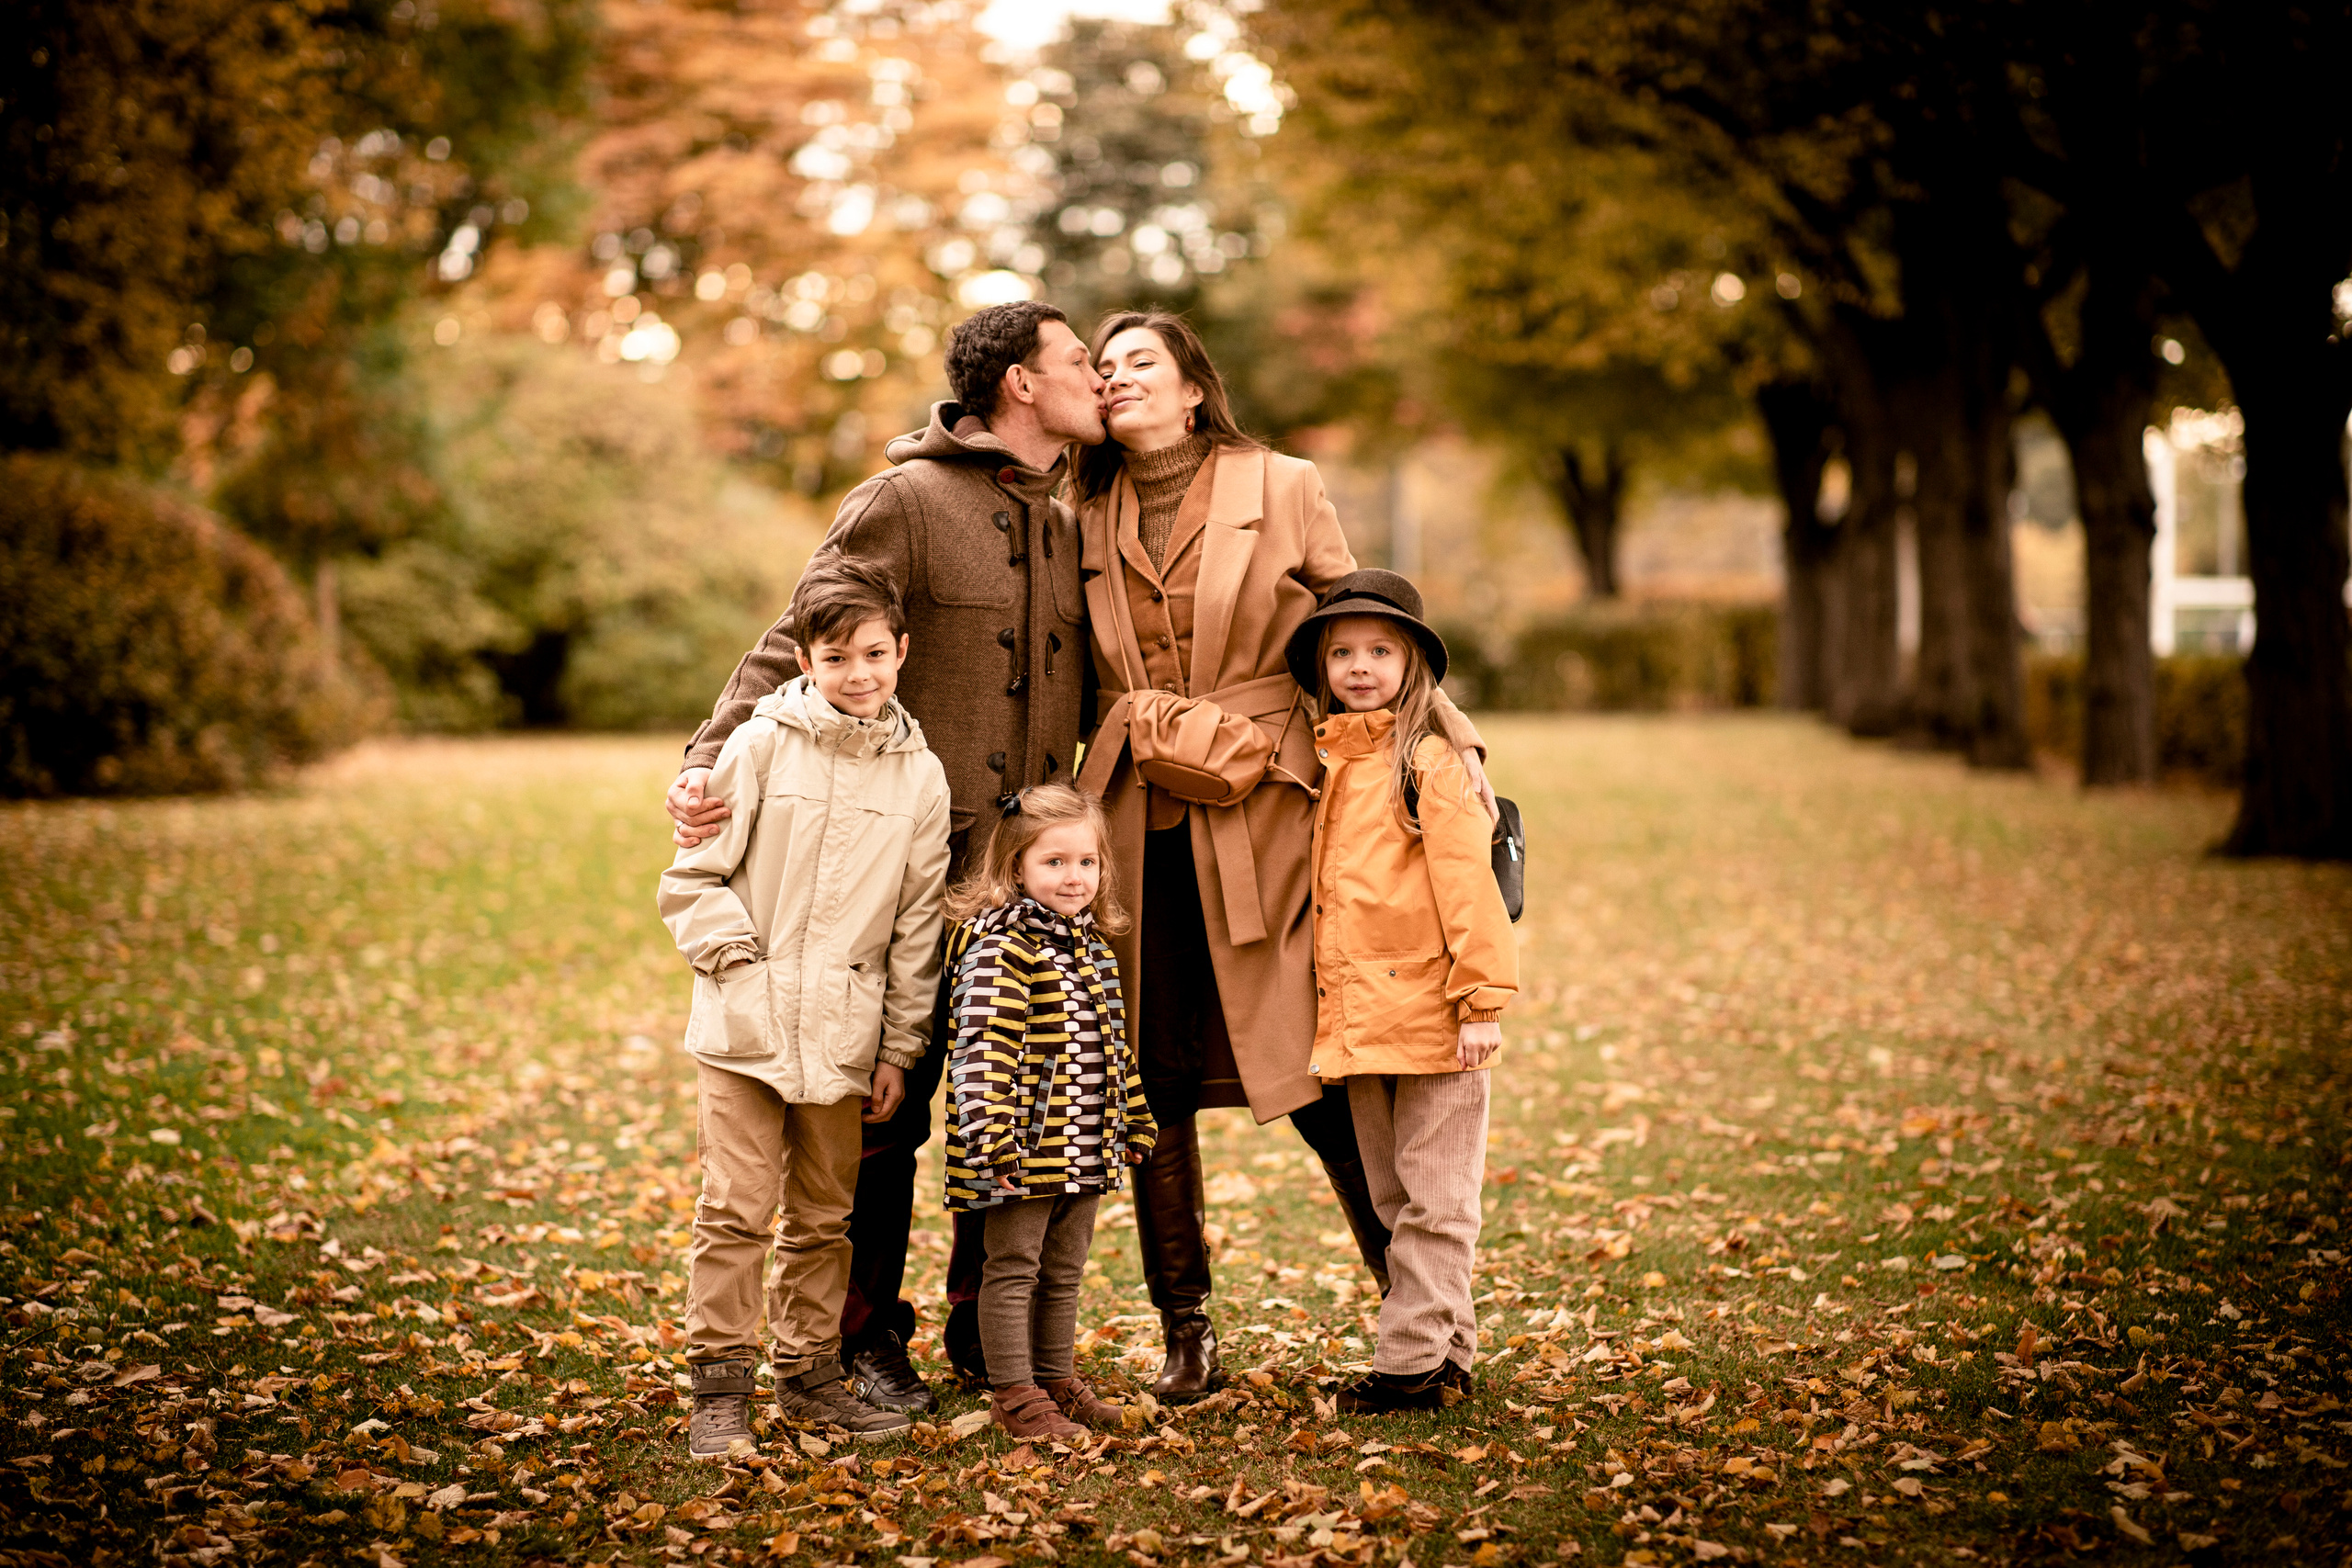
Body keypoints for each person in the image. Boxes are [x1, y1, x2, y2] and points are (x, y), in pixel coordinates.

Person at [666, 301, 1107, 1406]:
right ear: (1017, 382)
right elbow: (793, 636)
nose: (1096, 378)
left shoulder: (1063, 517)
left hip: (1029, 887)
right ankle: (861, 1341)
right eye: (1076, 362)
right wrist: (705, 762)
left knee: (1015, 1100)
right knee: (881, 1115)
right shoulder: (904, 499)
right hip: (902, 870)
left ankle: (984, 1339)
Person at [1071, 310, 1498, 1403]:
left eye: (1138, 365)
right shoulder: (1079, 507)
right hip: (1135, 817)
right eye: (1102, 368)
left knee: (1322, 1070)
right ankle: (1186, 1334)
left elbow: (1368, 629)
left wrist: (1459, 740)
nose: (1115, 380)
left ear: (1194, 390)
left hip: (1267, 805)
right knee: (1150, 1083)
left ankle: (1422, 1328)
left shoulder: (1286, 482)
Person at [657, 554, 954, 1456]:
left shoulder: (922, 780)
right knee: (735, 1210)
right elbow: (691, 878)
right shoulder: (757, 746)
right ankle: (718, 1388)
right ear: (804, 661)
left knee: (825, 1217)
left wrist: (899, 1049)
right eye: (836, 658)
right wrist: (738, 965)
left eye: (874, 654)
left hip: (847, 1039)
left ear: (900, 651)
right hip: (744, 1028)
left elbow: (915, 929)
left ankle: (810, 1374)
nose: (858, 674)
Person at [1283, 570, 1517, 1414]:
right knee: (1391, 1195)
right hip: (1363, 1019)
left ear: (1413, 663)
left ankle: (1408, 1366)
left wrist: (1481, 1002)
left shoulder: (1428, 762)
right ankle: (1450, 1349)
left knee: (1438, 1196)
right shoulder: (1333, 758)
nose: (1359, 666)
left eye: (1380, 650)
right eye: (1341, 652)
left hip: (1438, 1016)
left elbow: (1469, 888)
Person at [939, 783, 1154, 1440]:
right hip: (1020, 1149)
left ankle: (1055, 1376)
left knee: (1064, 1268)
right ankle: (1014, 1392)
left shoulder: (1088, 945)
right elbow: (982, 1052)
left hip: (1083, 1142)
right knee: (1013, 1267)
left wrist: (1134, 1118)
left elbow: (1114, 1046)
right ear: (1016, 868)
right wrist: (993, 1142)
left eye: (1086, 861)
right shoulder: (1003, 946)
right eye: (1054, 862)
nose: (1074, 876)